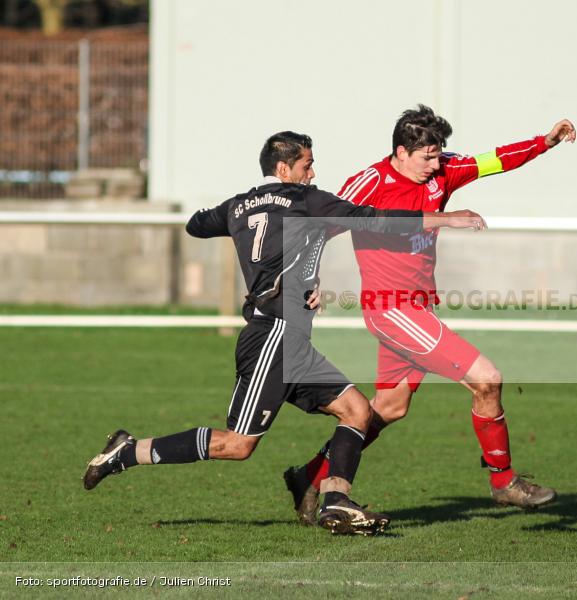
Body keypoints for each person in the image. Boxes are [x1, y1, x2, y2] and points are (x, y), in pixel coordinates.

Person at [82, 130, 486, 536]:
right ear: (284, 168)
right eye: (307, 164)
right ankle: (127, 452)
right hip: (272, 337)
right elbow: (374, 217)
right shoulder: (306, 200)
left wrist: (258, 246)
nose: (313, 172)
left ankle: (336, 500)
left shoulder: (239, 205)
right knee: (238, 445)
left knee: (358, 412)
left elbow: (195, 224)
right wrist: (446, 218)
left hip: (288, 337)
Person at [284, 106, 576, 525]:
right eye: (427, 157)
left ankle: (309, 476)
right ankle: (504, 483)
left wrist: (544, 144)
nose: (436, 165)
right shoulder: (370, 182)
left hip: (418, 308)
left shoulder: (442, 171)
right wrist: (304, 283)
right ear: (400, 152)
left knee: (388, 407)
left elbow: (492, 161)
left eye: (439, 155)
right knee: (487, 379)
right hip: (392, 309)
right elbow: (322, 226)